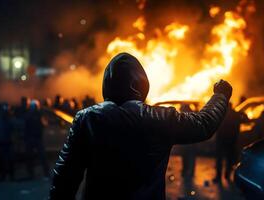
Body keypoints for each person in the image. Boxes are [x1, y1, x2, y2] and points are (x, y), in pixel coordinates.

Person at [49, 53, 232, 200]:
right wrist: (220, 95)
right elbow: (204, 124)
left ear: (107, 84)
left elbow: (65, 177)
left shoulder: (86, 119)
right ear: (141, 84)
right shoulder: (160, 118)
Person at [213, 103, 247, 183]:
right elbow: (245, 120)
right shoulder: (235, 114)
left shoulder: (221, 114)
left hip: (222, 140)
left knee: (220, 159)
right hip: (231, 140)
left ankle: (219, 177)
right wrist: (243, 114)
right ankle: (227, 176)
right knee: (229, 159)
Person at [24, 100, 49, 179]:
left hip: (34, 139)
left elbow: (44, 124)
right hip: (34, 139)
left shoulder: (35, 115)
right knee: (38, 157)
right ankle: (42, 174)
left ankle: (34, 174)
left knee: (37, 157)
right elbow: (44, 124)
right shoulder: (35, 115)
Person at [0, 103, 14, 181]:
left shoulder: (10, 117)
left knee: (9, 160)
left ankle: (10, 176)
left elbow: (14, 128)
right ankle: (4, 175)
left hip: (8, 141)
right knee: (3, 160)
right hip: (2, 142)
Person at [179, 104, 196, 180]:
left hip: (189, 142)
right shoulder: (194, 115)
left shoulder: (183, 117)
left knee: (187, 157)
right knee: (188, 157)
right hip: (189, 142)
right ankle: (188, 172)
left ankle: (187, 172)